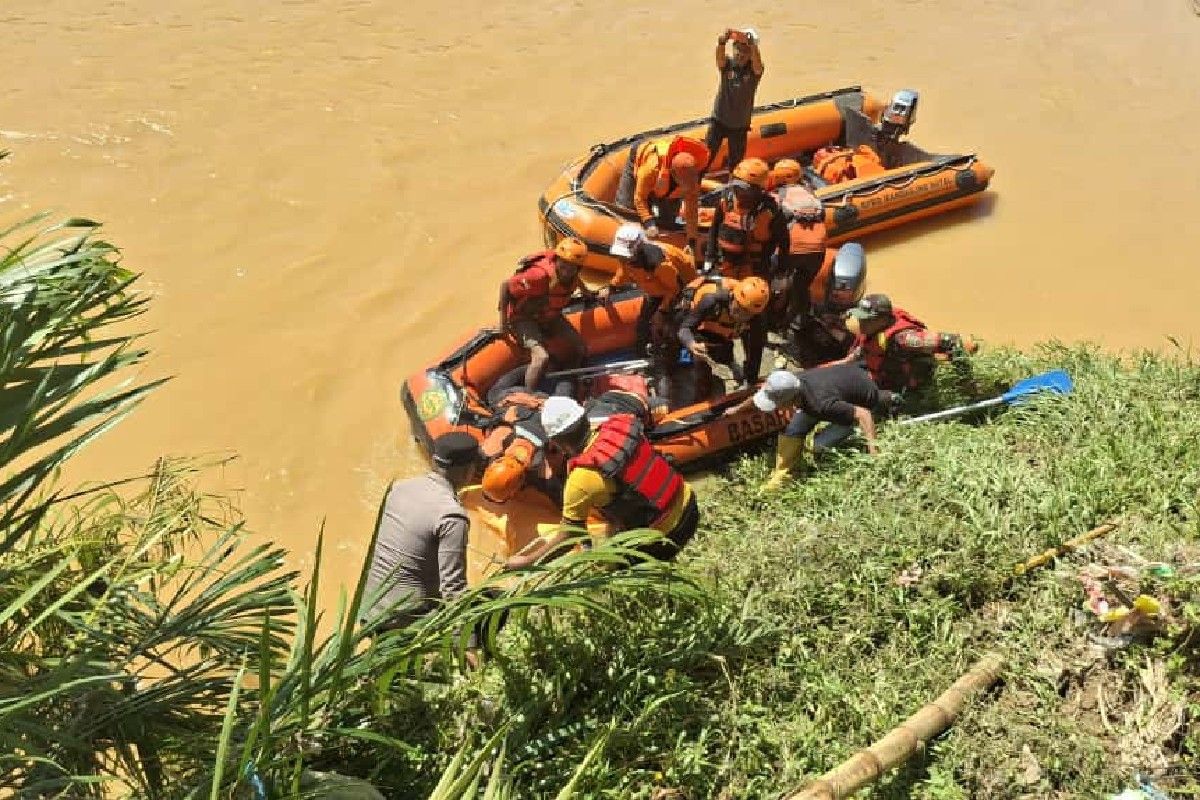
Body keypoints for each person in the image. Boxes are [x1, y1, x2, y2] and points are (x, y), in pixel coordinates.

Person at [504, 396, 699, 568]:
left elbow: (571, 537)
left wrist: (529, 561)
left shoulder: (581, 480)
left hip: (668, 536)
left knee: (602, 566)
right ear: (584, 418)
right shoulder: (621, 425)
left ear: (556, 442)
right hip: (689, 506)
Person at [361, 432, 484, 631]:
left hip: (368, 609)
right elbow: (453, 589)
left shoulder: (399, 489)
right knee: (491, 604)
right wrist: (467, 643)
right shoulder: (452, 516)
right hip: (402, 621)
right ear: (467, 471)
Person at [725, 364, 901, 490]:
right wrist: (737, 409)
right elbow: (759, 397)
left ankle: (853, 433)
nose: (775, 408)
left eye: (777, 404)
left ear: (789, 400)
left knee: (818, 446)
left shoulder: (821, 404)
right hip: (846, 381)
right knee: (793, 430)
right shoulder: (793, 381)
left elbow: (863, 414)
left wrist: (873, 450)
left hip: (863, 402)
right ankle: (783, 475)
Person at [497, 237, 599, 391]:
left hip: (550, 316)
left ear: (578, 269)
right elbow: (505, 286)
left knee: (579, 346)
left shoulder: (572, 277)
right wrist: (503, 325)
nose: (567, 270)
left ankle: (569, 380)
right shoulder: (538, 276)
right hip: (523, 318)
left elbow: (576, 282)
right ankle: (529, 395)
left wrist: (589, 295)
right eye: (563, 264)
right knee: (541, 357)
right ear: (557, 259)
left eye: (572, 267)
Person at [838, 293, 978, 392]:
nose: (861, 323)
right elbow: (859, 353)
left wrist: (966, 380)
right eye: (861, 319)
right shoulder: (871, 332)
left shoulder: (905, 339)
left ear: (882, 319)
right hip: (884, 373)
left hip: (909, 385)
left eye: (867, 320)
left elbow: (951, 342)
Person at [602, 222, 699, 356]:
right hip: (656, 288)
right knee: (643, 324)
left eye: (625, 256)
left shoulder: (659, 263)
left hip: (681, 288)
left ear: (638, 248)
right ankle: (642, 354)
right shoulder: (627, 259)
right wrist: (611, 287)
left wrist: (662, 311)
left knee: (669, 327)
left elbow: (674, 290)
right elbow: (624, 272)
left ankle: (671, 359)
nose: (622, 259)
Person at [674, 274, 771, 395]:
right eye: (738, 309)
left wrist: (751, 380)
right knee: (684, 345)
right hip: (695, 316)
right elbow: (685, 328)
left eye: (746, 314)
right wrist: (691, 344)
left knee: (727, 345)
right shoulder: (711, 300)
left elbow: (755, 349)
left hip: (720, 322)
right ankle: (684, 362)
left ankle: (728, 359)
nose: (740, 316)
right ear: (732, 297)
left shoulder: (757, 316)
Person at [615, 135, 710, 252]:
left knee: (668, 220)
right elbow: (639, 197)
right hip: (641, 158)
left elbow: (691, 211)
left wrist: (691, 241)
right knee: (625, 209)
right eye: (684, 184)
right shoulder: (651, 169)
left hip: (664, 187)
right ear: (674, 175)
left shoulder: (691, 181)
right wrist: (648, 222)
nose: (687, 188)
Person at [704, 158, 787, 281]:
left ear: (758, 190)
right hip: (726, 263)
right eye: (736, 187)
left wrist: (781, 269)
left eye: (744, 189)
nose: (739, 193)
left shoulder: (771, 210)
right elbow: (714, 228)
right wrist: (709, 258)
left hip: (757, 268)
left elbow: (784, 241)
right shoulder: (727, 200)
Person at [705, 28, 764, 174]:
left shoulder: (754, 71)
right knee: (705, 158)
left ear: (751, 53)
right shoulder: (728, 65)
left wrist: (752, 45)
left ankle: (734, 191)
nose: (741, 54)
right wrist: (722, 42)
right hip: (719, 120)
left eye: (745, 51)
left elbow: (758, 65)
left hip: (739, 126)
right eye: (738, 49)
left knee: (736, 165)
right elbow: (719, 59)